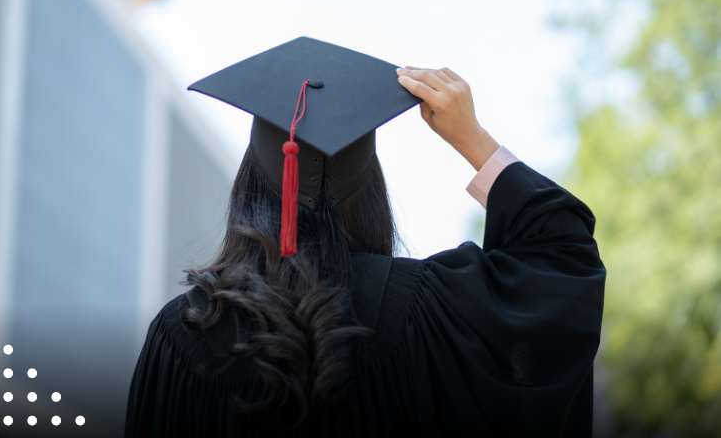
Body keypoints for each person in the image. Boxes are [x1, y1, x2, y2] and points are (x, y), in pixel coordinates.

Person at [124, 37, 606, 437]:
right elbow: (563, 255)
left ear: (252, 186)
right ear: (370, 190)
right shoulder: (438, 310)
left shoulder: (186, 333)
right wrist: (473, 139)